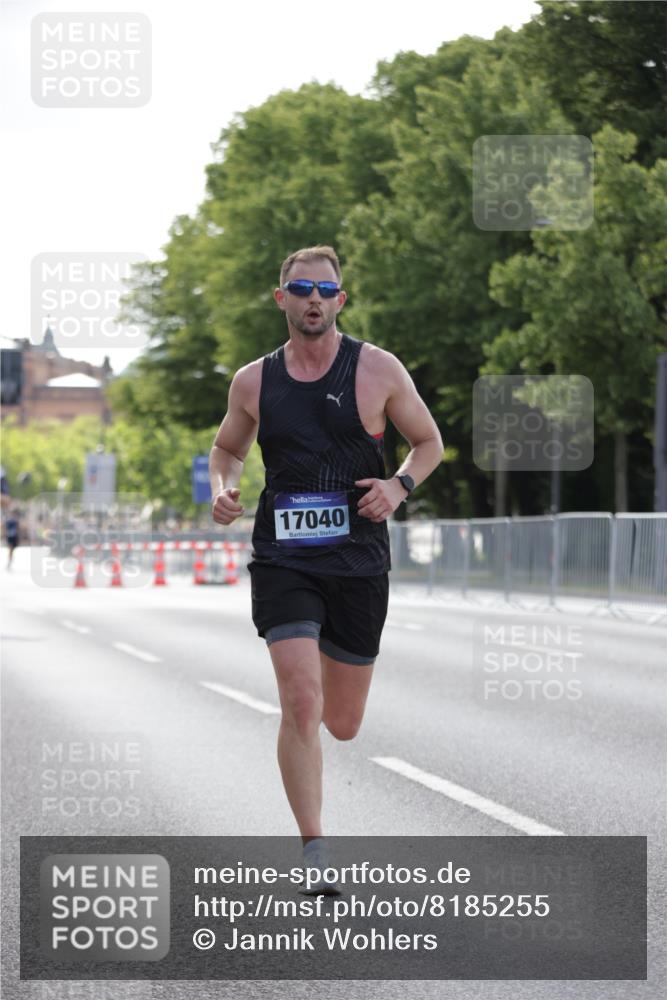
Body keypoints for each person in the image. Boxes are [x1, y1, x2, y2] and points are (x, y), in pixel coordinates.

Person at [209, 245, 442, 887]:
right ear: (280, 297)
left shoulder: (377, 369)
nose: (314, 298)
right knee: (301, 699)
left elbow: (428, 443)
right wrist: (221, 486)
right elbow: (227, 447)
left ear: (341, 300)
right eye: (301, 287)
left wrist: (398, 487)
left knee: (342, 723)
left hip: (359, 560)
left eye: (326, 289)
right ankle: (314, 849)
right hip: (284, 557)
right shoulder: (253, 381)